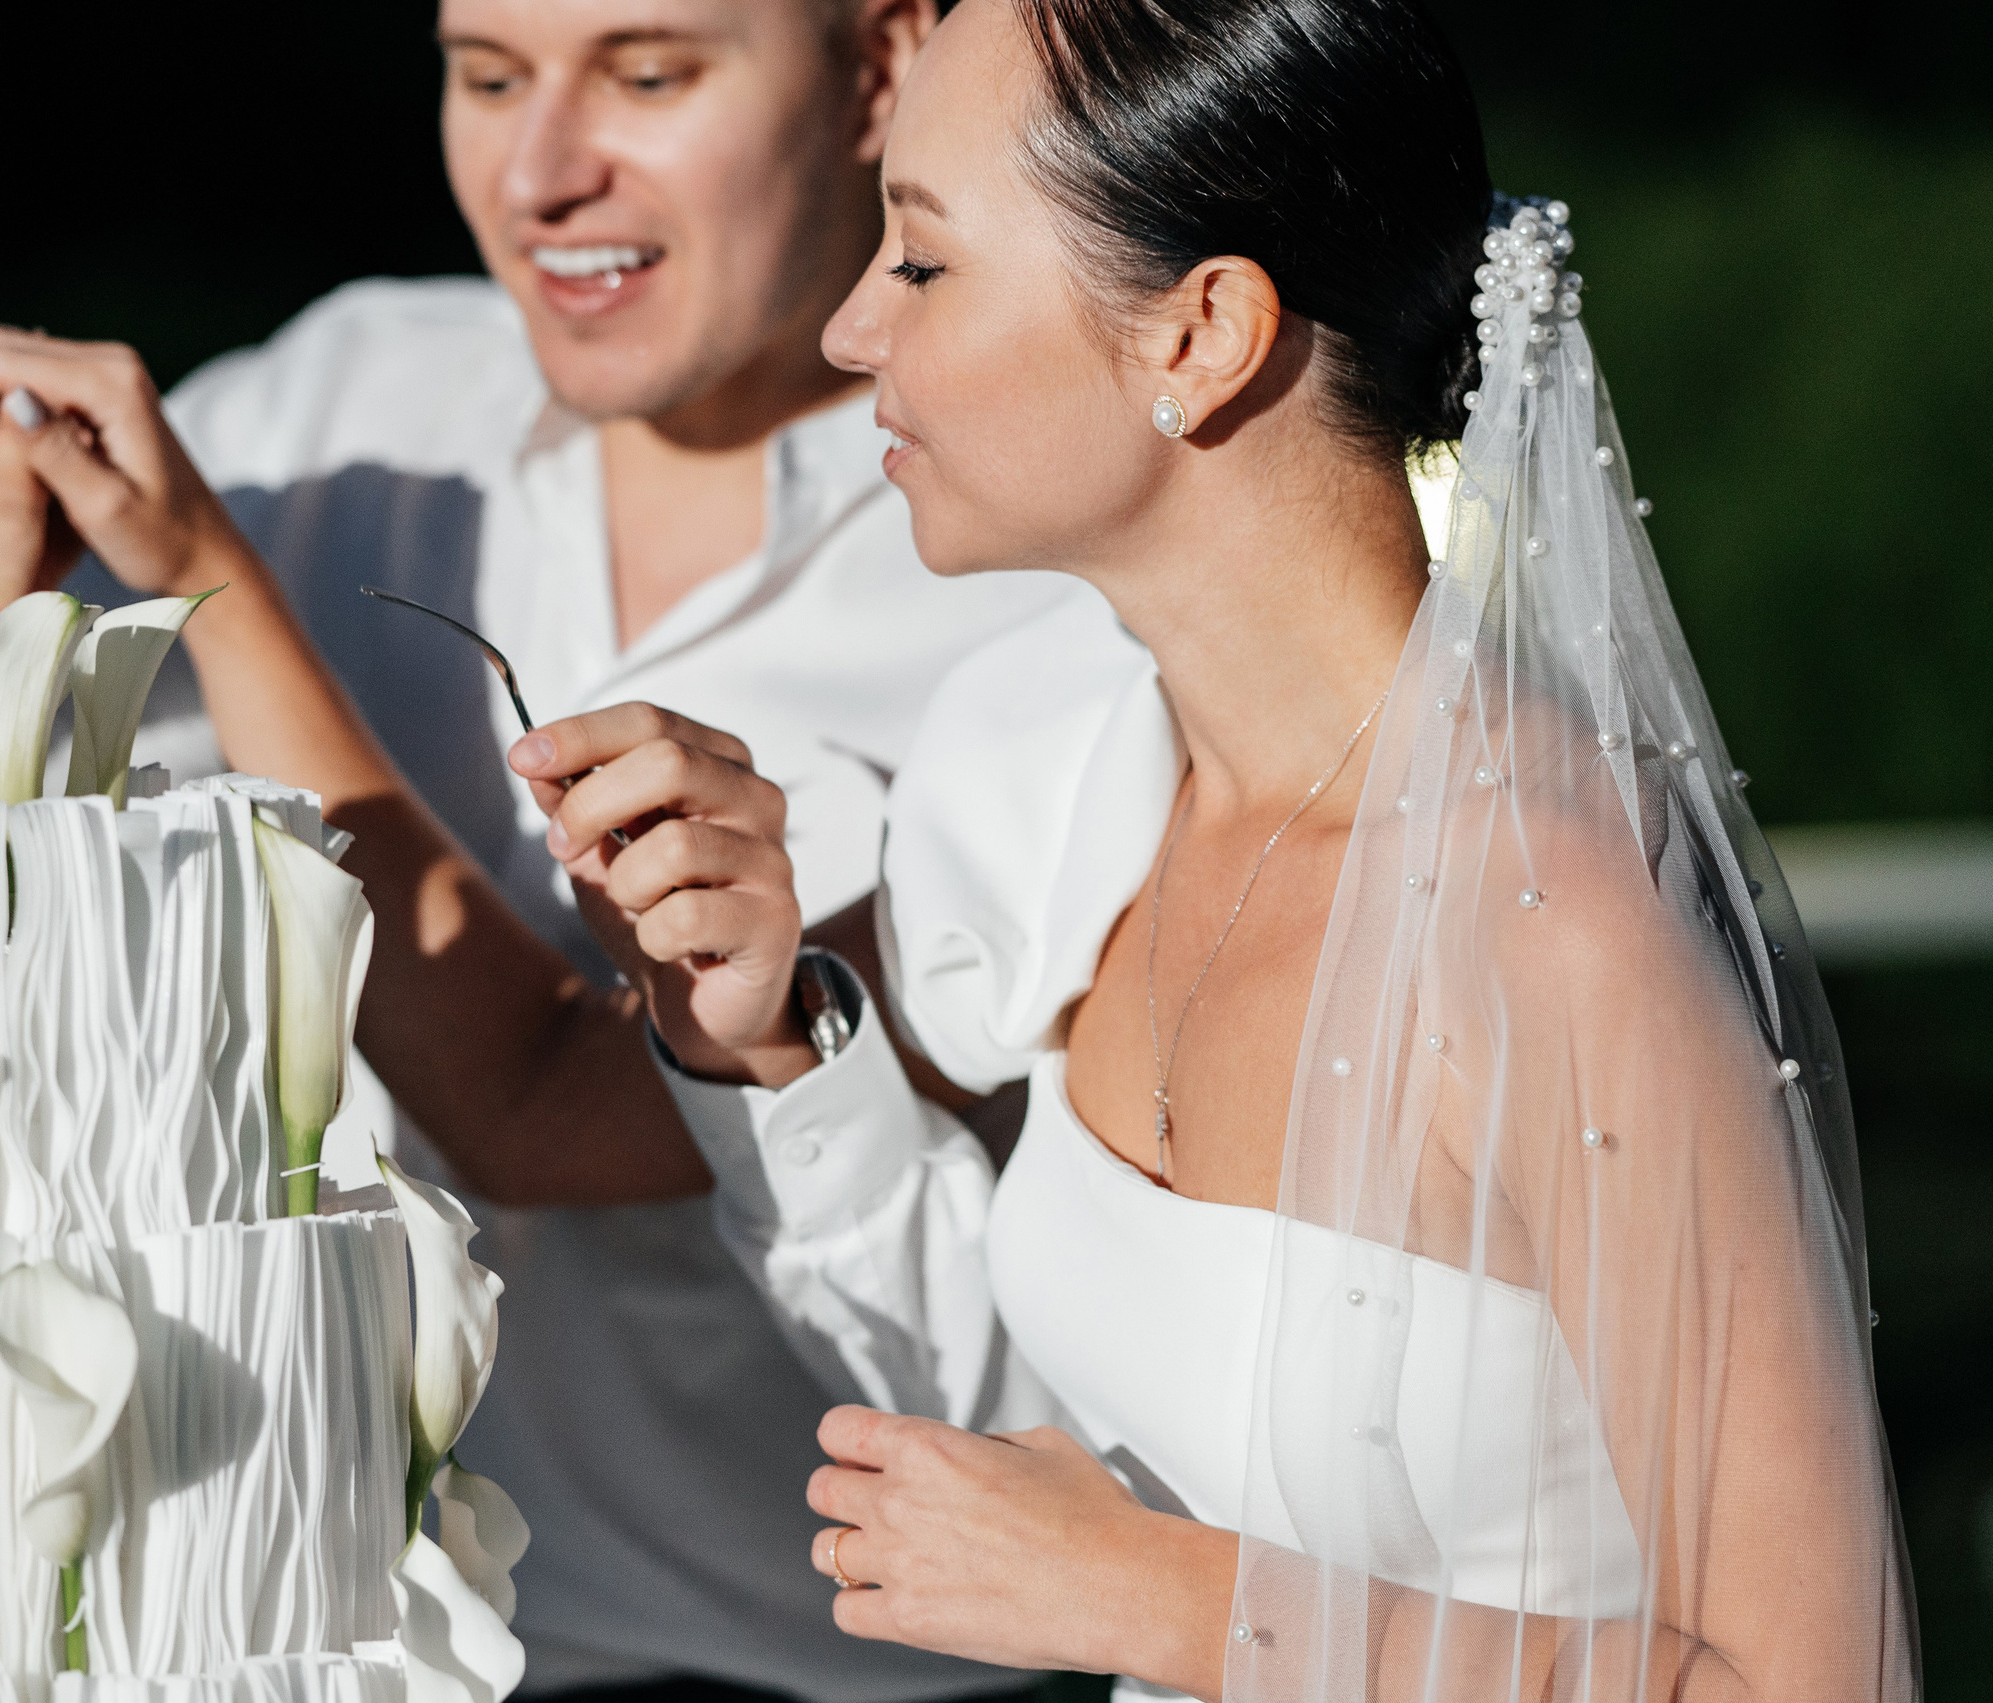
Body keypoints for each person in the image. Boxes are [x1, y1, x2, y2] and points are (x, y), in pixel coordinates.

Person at [507, 0, 1920, 1698]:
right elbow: (1051, 1448)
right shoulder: (1073, 776)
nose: (848, 332)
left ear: (1201, 334)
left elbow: (1810, 1681)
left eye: (924, 264)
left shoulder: (1552, 921)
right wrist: (759, 1037)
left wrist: (1162, 1607)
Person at [0, 1, 1085, 1697]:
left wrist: (216, 584)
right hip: (317, 1645)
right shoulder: (351, 390)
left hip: (844, 1665)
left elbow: (552, 1115)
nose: (545, 169)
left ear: (877, 69)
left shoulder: (1040, 539)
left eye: (651, 74)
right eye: (487, 76)